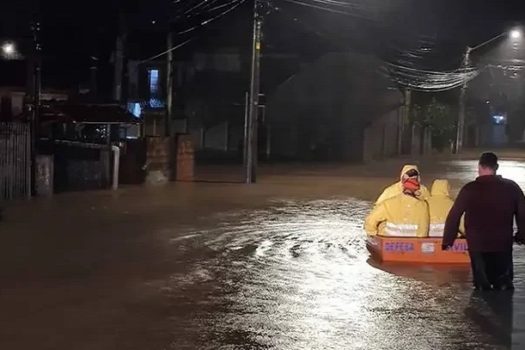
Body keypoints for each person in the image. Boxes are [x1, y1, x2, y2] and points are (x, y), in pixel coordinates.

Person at [443, 152, 525, 291]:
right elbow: (523, 214)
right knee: (504, 285)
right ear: (496, 167)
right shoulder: (512, 188)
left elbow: (454, 215)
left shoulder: (469, 189)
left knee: (481, 287)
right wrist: (521, 236)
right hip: (502, 243)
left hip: (477, 245)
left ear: (479, 167)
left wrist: (448, 240)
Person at [365, 173, 429, 237]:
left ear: (403, 187)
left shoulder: (388, 203)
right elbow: (423, 229)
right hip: (412, 243)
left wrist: (372, 233)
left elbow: (370, 221)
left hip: (389, 241)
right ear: (416, 190)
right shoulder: (423, 205)